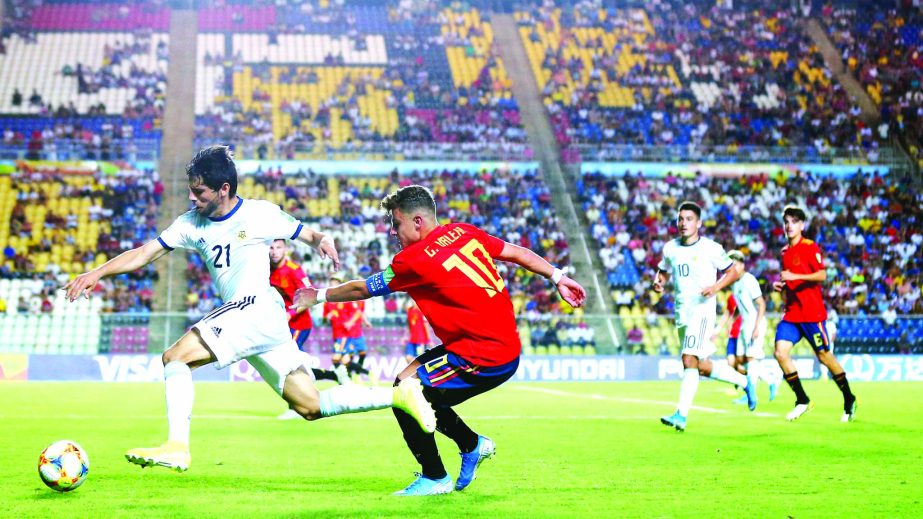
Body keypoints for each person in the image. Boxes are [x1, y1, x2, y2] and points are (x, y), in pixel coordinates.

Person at [63, 145, 435, 472]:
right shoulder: (190, 224)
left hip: (253, 307)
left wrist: (324, 240)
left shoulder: (259, 214)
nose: (193, 199)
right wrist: (98, 271)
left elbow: (311, 234)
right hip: (263, 321)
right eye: (191, 192)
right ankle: (399, 395)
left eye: (200, 192)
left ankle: (177, 447)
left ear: (224, 189)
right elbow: (144, 253)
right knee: (310, 404)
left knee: (175, 358)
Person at [290, 185, 586, 495]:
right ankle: (472, 446)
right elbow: (517, 253)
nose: (393, 231)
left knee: (407, 395)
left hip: (482, 355)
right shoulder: (464, 232)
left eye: (397, 223)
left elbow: (362, 289)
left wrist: (318, 295)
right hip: (490, 343)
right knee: (406, 383)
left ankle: (435, 477)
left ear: (417, 222)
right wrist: (558, 277)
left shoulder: (414, 259)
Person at [652, 201, 756, 432]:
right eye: (680, 219)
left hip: (702, 311)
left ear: (698, 223)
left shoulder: (710, 248)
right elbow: (664, 270)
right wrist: (659, 282)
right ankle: (744, 382)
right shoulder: (671, 248)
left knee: (688, 359)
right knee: (702, 365)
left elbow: (733, 271)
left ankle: (681, 415)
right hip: (682, 312)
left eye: (689, 219)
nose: (683, 223)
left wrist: (716, 287)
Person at [772, 205, 857, 422]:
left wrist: (794, 275)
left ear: (801, 225)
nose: (789, 226)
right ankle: (802, 399)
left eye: (794, 222)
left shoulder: (810, 247)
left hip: (812, 315)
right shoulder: (784, 252)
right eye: (787, 222)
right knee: (780, 353)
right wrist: (783, 286)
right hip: (792, 314)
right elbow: (790, 280)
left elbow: (821, 275)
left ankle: (849, 398)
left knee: (825, 357)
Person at [269, 238, 349, 420]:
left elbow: (308, 297)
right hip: (281, 326)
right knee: (300, 366)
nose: (274, 251)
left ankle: (294, 407)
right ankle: (336, 374)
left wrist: (289, 314)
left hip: (298, 324)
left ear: (286, 250)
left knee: (286, 363)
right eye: (271, 247)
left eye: (278, 247)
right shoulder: (267, 270)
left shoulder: (294, 270)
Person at [725, 250, 780, 402]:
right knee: (740, 359)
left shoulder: (749, 280)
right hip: (745, 324)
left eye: (735, 265)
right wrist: (733, 318)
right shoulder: (735, 283)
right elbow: (739, 305)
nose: (732, 269)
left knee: (751, 358)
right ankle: (771, 380)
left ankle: (751, 393)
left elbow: (761, 304)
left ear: (742, 265)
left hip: (755, 323)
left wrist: (756, 327)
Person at [323, 273, 370, 380]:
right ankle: (350, 377)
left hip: (344, 334)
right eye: (331, 283)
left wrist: (350, 322)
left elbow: (358, 312)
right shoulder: (327, 302)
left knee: (337, 359)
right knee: (345, 360)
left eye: (335, 283)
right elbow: (324, 320)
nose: (332, 285)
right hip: (335, 334)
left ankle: (347, 378)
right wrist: (327, 317)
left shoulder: (346, 299)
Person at [404, 299, 432, 364]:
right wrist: (405, 336)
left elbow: (426, 326)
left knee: (419, 359)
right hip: (411, 340)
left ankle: (418, 373)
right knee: (408, 357)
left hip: (420, 340)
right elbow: (409, 325)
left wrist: (429, 339)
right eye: (412, 299)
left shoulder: (422, 311)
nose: (413, 301)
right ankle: (412, 372)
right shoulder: (409, 310)